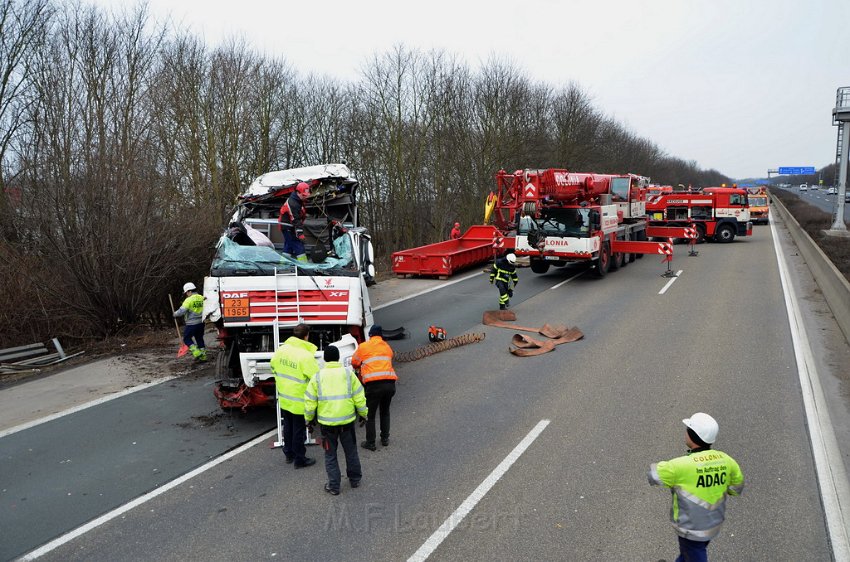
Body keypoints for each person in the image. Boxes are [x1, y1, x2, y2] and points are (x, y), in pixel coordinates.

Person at [648, 412, 744, 562]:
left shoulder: (679, 466)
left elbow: (653, 476)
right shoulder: (727, 460)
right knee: (690, 554)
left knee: (694, 554)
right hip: (713, 524)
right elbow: (736, 489)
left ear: (692, 436)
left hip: (691, 528)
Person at [304, 345, 368, 495]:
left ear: (325, 359)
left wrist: (308, 420)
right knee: (351, 452)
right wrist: (363, 414)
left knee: (330, 455)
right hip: (347, 423)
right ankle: (354, 480)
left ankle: (334, 486)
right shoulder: (348, 374)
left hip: (327, 425)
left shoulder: (317, 377)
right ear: (338, 358)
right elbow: (359, 396)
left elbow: (310, 401)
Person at [270, 323, 318, 469]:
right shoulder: (305, 356)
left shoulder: (281, 350)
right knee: (298, 430)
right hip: (299, 399)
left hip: (284, 396)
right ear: (306, 336)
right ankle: (300, 459)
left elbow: (273, 366)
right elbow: (316, 378)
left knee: (288, 427)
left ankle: (288, 453)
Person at [351, 325, 397, 450]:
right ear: (380, 335)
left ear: (370, 335)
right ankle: (385, 438)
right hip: (389, 384)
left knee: (370, 415)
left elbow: (354, 362)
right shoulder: (387, 347)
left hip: (373, 385)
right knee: (385, 411)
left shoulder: (363, 346)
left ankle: (370, 442)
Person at [278, 181, 311, 262]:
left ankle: (283, 265)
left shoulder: (298, 200)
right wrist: (300, 233)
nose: (305, 197)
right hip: (287, 226)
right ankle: (304, 265)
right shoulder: (293, 203)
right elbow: (295, 219)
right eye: (303, 195)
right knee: (298, 246)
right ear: (297, 192)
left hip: (289, 225)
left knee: (288, 247)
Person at [173, 282, 206, 361]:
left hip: (191, 324)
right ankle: (203, 356)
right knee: (199, 338)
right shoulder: (202, 297)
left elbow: (182, 311)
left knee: (187, 338)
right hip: (201, 323)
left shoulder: (189, 300)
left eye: (186, 293)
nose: (186, 294)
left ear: (189, 291)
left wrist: (175, 314)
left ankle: (197, 353)